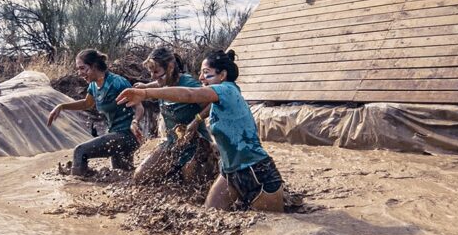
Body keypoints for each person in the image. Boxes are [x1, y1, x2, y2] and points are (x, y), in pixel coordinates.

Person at [116, 50, 285, 212]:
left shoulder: (227, 89)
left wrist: (145, 93)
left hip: (257, 172)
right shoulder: (220, 95)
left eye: (206, 73)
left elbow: (190, 94)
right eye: (201, 72)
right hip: (229, 172)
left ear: (222, 75)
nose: (201, 77)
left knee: (266, 229)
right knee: (209, 214)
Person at [46, 48, 143, 176]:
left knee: (80, 151)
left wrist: (135, 122)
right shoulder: (93, 85)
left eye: (82, 68)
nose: (79, 73)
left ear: (94, 66)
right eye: (78, 69)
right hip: (115, 135)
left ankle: (75, 187)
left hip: (127, 136)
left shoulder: (118, 83)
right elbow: (87, 103)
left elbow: (139, 107)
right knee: (123, 174)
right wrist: (62, 106)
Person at [131, 46, 213, 184]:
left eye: (156, 71)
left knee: (191, 182)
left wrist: (197, 120)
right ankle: (173, 172)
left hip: (197, 145)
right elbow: (158, 83)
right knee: (141, 176)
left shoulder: (190, 84)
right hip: (172, 144)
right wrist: (144, 87)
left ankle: (209, 165)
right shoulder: (163, 83)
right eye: (151, 72)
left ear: (170, 67)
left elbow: (212, 103)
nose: (153, 76)